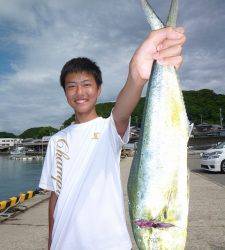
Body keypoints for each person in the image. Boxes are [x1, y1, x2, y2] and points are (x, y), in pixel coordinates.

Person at [39, 26, 186, 250]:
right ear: (65, 93)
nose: (80, 92)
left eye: (87, 84)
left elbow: (122, 110)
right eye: (72, 86)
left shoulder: (109, 129)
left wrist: (137, 75)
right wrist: (51, 243)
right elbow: (55, 197)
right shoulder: (56, 140)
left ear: (98, 90)